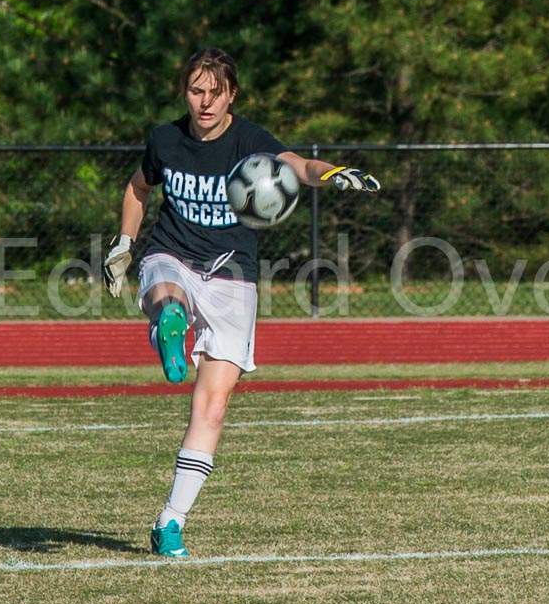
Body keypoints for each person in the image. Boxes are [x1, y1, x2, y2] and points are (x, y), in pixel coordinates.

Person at [102, 48, 379, 557]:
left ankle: (171, 520)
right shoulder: (165, 140)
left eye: (214, 92)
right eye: (195, 90)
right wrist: (124, 241)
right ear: (183, 91)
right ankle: (171, 321)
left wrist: (332, 172)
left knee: (214, 403)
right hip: (173, 254)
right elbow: (139, 187)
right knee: (166, 292)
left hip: (232, 274)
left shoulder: (250, 142)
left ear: (232, 94)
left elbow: (297, 165)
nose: (204, 102)